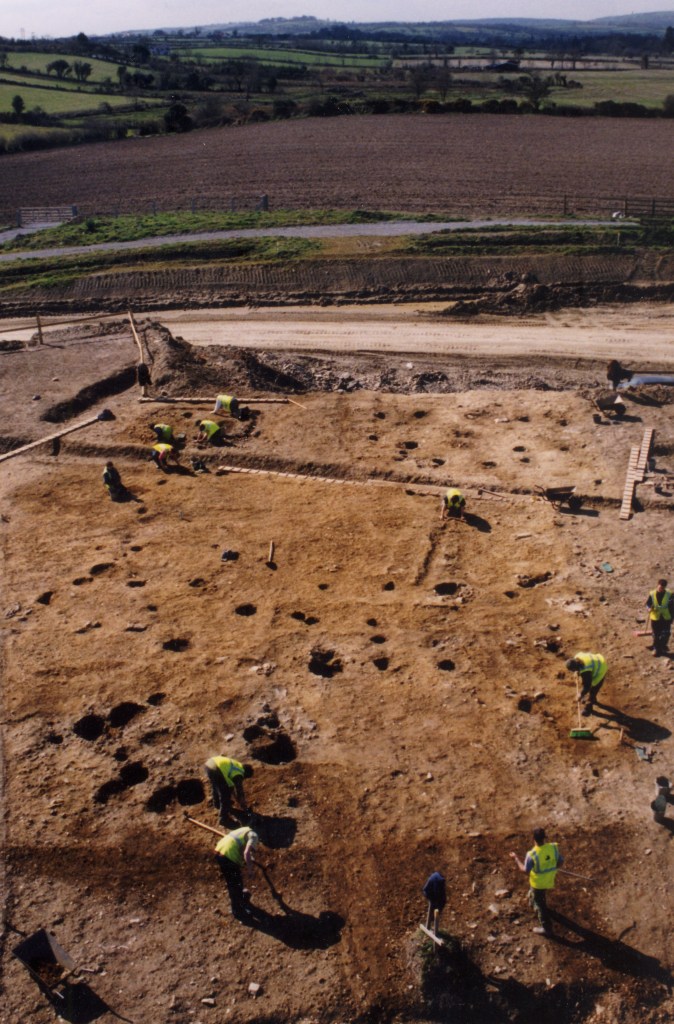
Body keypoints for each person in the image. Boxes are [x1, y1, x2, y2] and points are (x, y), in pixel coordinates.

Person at [510, 827, 563, 936]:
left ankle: (546, 928)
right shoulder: (553, 848)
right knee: (538, 895)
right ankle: (532, 900)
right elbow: (560, 862)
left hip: (537, 883)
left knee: (541, 905)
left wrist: (516, 858)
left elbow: (525, 870)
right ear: (544, 838)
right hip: (549, 880)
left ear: (533, 838)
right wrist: (552, 868)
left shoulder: (532, 854)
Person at [215, 826, 259, 917]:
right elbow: (246, 852)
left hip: (219, 851)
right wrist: (250, 871)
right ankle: (238, 911)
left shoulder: (244, 830)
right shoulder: (254, 835)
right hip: (228, 856)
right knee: (235, 884)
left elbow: (241, 848)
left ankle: (240, 897)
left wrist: (248, 858)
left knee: (232, 882)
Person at [204, 756, 250, 824]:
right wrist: (243, 805)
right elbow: (239, 791)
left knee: (216, 786)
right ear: (245, 775)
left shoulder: (237, 765)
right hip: (216, 769)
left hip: (209, 765)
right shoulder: (239, 774)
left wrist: (235, 796)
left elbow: (231, 786)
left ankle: (217, 804)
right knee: (225, 794)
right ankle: (223, 818)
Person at [646, 579, 672, 658]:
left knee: (665, 634)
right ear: (657, 585)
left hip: (666, 618)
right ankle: (656, 649)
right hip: (655, 617)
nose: (660, 589)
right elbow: (648, 603)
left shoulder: (670, 595)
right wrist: (649, 608)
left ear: (664, 587)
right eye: (659, 587)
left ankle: (662, 646)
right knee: (656, 634)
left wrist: (672, 618)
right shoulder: (652, 593)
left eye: (662, 588)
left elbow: (672, 607)